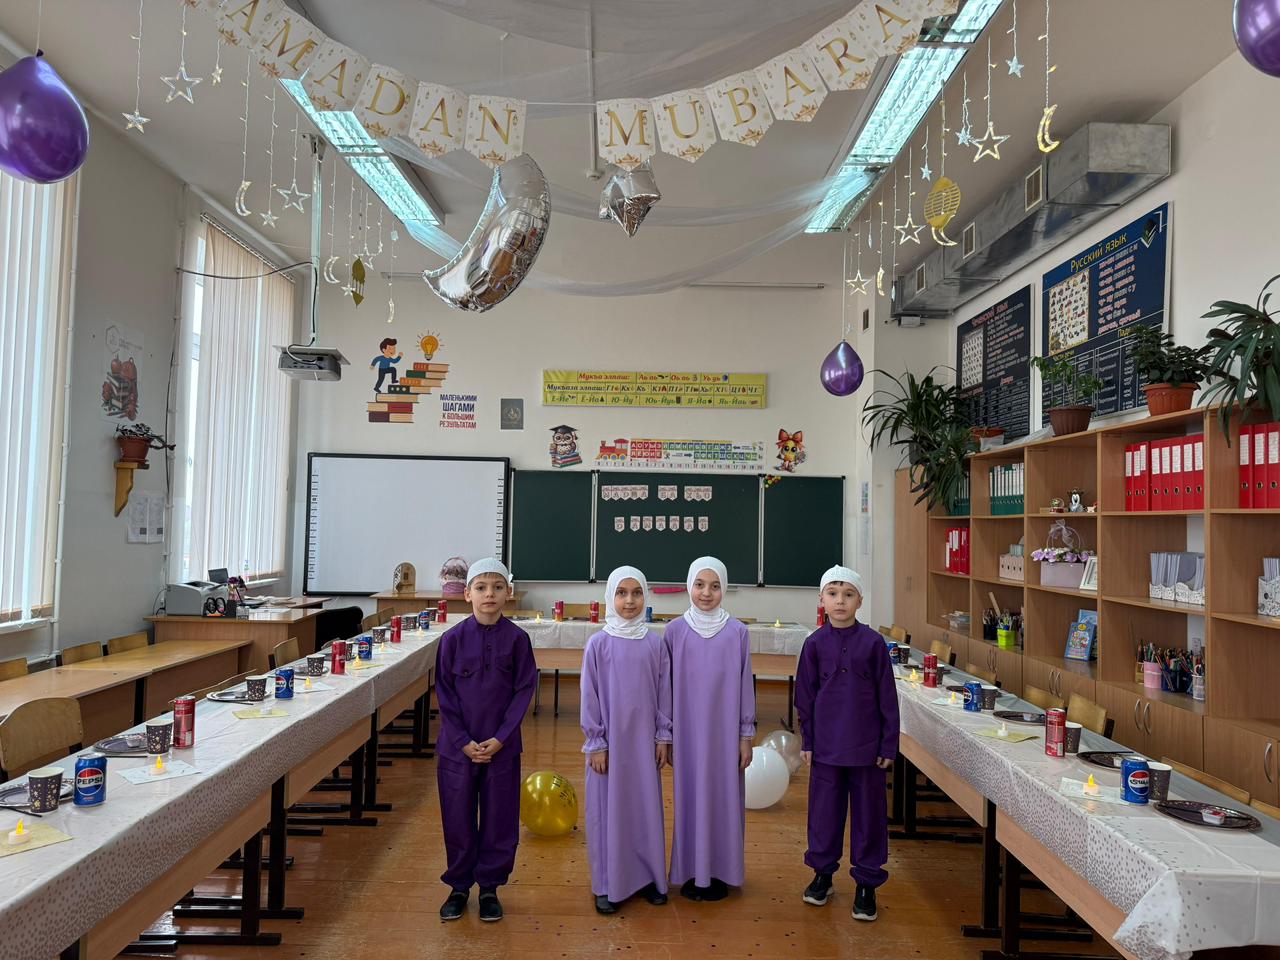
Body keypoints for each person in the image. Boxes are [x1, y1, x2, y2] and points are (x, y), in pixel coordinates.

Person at [433, 558, 537, 923]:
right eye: (480, 587)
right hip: (457, 750)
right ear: (467, 594)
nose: (489, 594)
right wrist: (462, 741)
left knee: (499, 818)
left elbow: (523, 691)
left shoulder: (518, 640)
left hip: (501, 750)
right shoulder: (451, 640)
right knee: (457, 817)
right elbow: (444, 694)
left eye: (497, 587)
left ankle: (490, 887)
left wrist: (501, 738)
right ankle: (459, 886)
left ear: (508, 593)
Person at [794, 566, 899, 922]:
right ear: (821, 600)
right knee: (824, 814)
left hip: (867, 748)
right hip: (826, 747)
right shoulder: (814, 644)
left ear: (860, 601)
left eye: (848, 594)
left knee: (869, 817)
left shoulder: (873, 644)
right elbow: (805, 698)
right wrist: (808, 740)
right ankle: (822, 874)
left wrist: (887, 745)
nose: (840, 601)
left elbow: (888, 699)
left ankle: (867, 884)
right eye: (833, 594)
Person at [581, 566, 672, 915]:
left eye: (636, 593)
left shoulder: (655, 643)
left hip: (643, 743)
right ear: (610, 597)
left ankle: (648, 877)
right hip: (610, 746)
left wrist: (663, 736)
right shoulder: (598, 644)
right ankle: (608, 883)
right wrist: (597, 742)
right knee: (608, 812)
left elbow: (664, 693)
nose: (629, 601)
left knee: (644, 808)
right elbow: (590, 697)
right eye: (621, 593)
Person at [665, 556, 756, 902]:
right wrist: (666, 734)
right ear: (689, 586)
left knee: (724, 798)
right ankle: (692, 870)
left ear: (724, 589)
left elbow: (745, 686)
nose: (706, 593)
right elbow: (665, 688)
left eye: (715, 586)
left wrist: (745, 735)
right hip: (687, 734)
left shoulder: (737, 632)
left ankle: (720, 870)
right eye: (700, 585)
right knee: (689, 798)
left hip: (724, 735)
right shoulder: (675, 632)